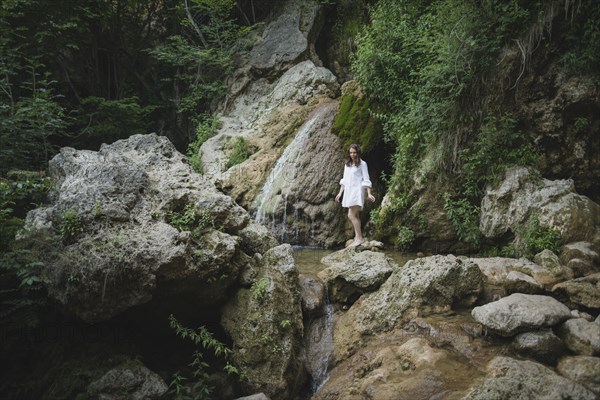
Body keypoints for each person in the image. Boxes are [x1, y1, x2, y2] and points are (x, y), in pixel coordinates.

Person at [335, 143, 376, 247]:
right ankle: (358, 237)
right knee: (356, 215)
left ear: (358, 153)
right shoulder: (347, 164)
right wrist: (340, 193)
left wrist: (369, 193)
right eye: (351, 152)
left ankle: (360, 238)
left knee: (351, 215)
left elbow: (366, 179)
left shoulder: (363, 164)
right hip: (349, 192)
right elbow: (344, 180)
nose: (352, 154)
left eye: (354, 152)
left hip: (357, 192)